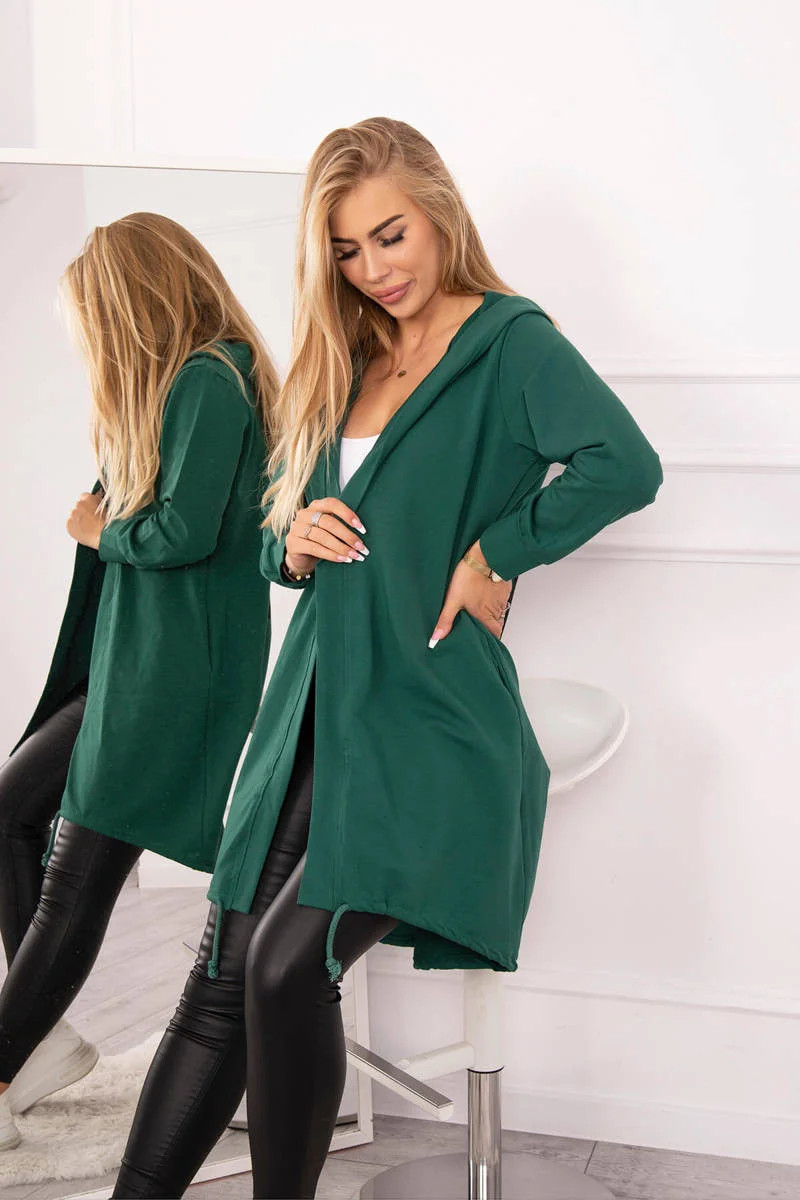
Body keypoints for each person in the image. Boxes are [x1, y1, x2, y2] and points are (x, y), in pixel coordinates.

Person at [112, 118, 663, 1199]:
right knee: (222, 975)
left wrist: (499, 551)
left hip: (427, 715)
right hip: (312, 712)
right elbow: (277, 537)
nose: (374, 268)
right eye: (347, 251)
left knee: (284, 968)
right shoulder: (348, 355)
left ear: (439, 210)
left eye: (390, 234)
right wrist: (293, 540)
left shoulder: (510, 343)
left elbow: (625, 464)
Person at [0, 213, 279, 1151]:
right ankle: (37, 1038)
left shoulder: (211, 376)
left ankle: (5, 1063)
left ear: (134, 305)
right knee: (13, 814)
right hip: (135, 662)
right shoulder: (194, 382)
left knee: (77, 877)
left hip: (171, 675)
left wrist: (97, 528)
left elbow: (182, 534)